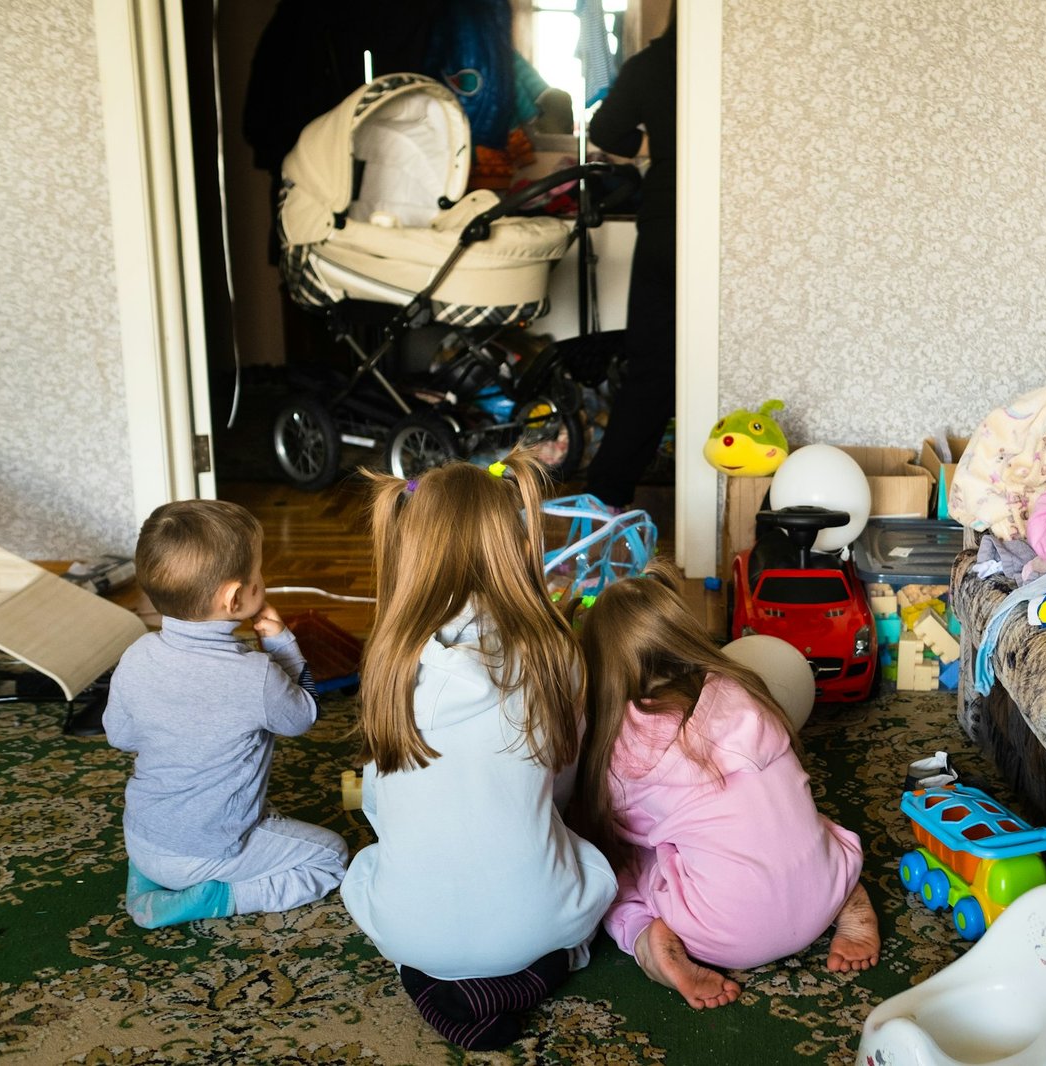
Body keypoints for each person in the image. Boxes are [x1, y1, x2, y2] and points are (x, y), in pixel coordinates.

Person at [339, 448, 617, 1051]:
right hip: (537, 922)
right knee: (591, 864)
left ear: (411, 545)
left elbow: (381, 807)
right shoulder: (555, 650)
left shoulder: (389, 659)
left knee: (363, 871)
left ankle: (433, 983)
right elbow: (559, 787)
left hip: (411, 936)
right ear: (515, 541)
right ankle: (535, 972)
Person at [573, 561, 880, 1009]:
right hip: (822, 888)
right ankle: (845, 895)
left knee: (617, 863)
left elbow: (624, 833)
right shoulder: (742, 690)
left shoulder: (624, 745)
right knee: (793, 816)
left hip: (721, 931)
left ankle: (644, 939)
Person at [103, 501, 348, 929]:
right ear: (235, 597)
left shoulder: (135, 654)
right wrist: (284, 646)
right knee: (331, 858)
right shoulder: (257, 675)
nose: (263, 582)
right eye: (258, 576)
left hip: (142, 838)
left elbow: (119, 736)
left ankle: (148, 878)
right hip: (209, 853)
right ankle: (218, 897)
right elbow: (303, 715)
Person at [582, 17, 676, 508]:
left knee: (651, 368)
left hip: (664, 224)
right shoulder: (734, 63)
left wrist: (658, 146)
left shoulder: (651, 63)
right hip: (717, 224)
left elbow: (604, 128)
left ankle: (606, 494)